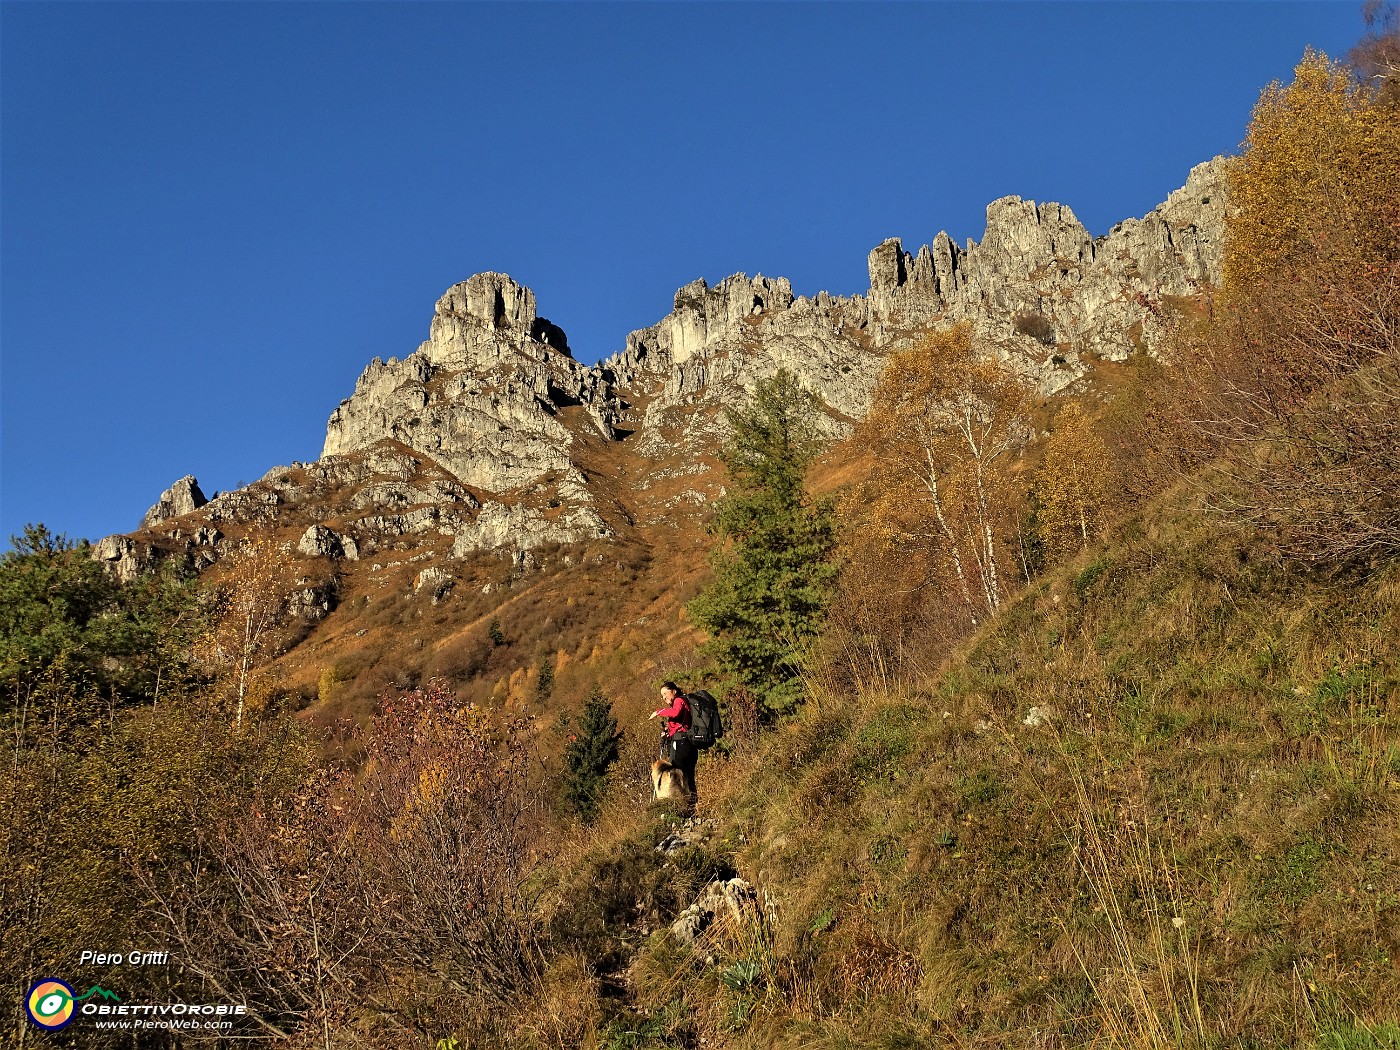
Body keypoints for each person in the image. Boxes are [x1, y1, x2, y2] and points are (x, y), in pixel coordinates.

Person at [649, 681, 697, 796]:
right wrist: (668, 733)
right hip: (687, 743)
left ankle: (680, 804)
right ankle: (692, 804)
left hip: (681, 744)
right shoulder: (682, 701)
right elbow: (681, 723)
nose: (664, 697)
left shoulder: (679, 700)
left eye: (665, 693)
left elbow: (675, 713)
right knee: (687, 777)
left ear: (674, 691)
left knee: (676, 776)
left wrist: (658, 712)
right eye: (662, 695)